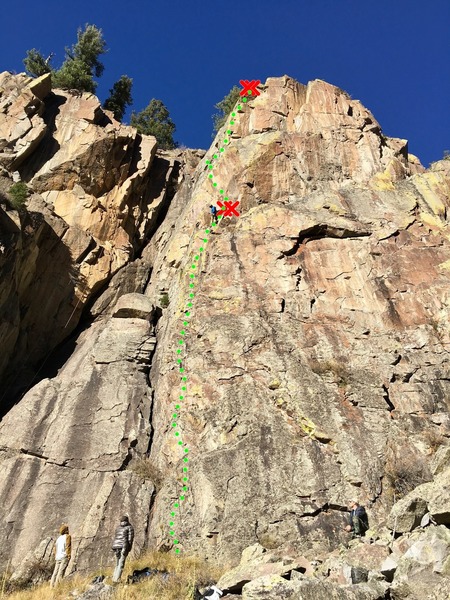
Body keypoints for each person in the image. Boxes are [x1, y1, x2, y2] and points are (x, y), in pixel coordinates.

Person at [111, 515, 134, 583]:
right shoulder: (130, 527)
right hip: (124, 547)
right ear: (127, 520)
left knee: (117, 564)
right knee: (121, 564)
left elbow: (116, 538)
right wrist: (128, 549)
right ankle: (117, 580)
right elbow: (130, 540)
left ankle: (114, 578)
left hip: (116, 547)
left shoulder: (118, 528)